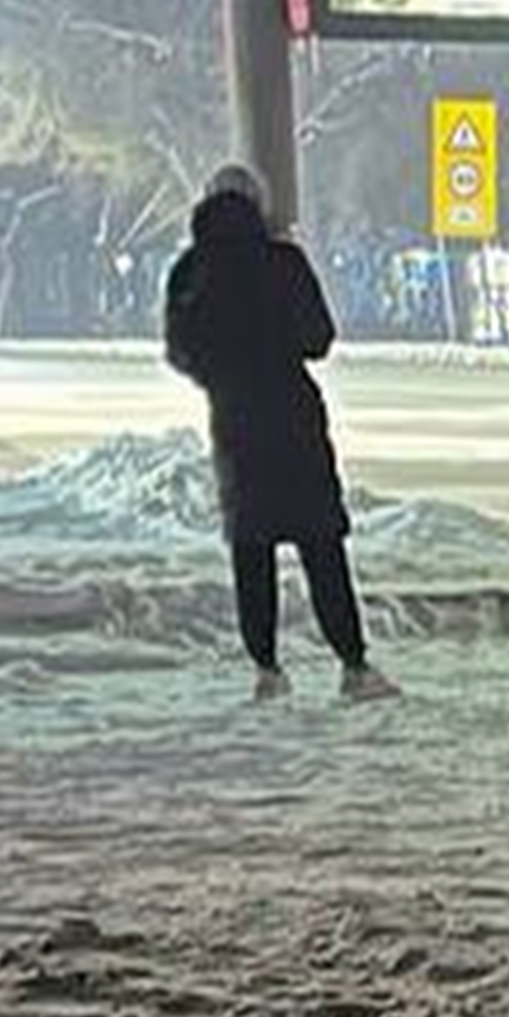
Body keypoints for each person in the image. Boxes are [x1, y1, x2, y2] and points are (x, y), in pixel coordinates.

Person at [167, 175, 387, 701]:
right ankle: (353, 664)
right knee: (321, 545)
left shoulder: (190, 270)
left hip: (234, 422)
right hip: (293, 419)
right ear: (258, 207)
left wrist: (219, 378)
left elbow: (179, 350)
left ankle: (266, 668)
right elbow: (318, 338)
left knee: (252, 547)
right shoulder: (283, 263)